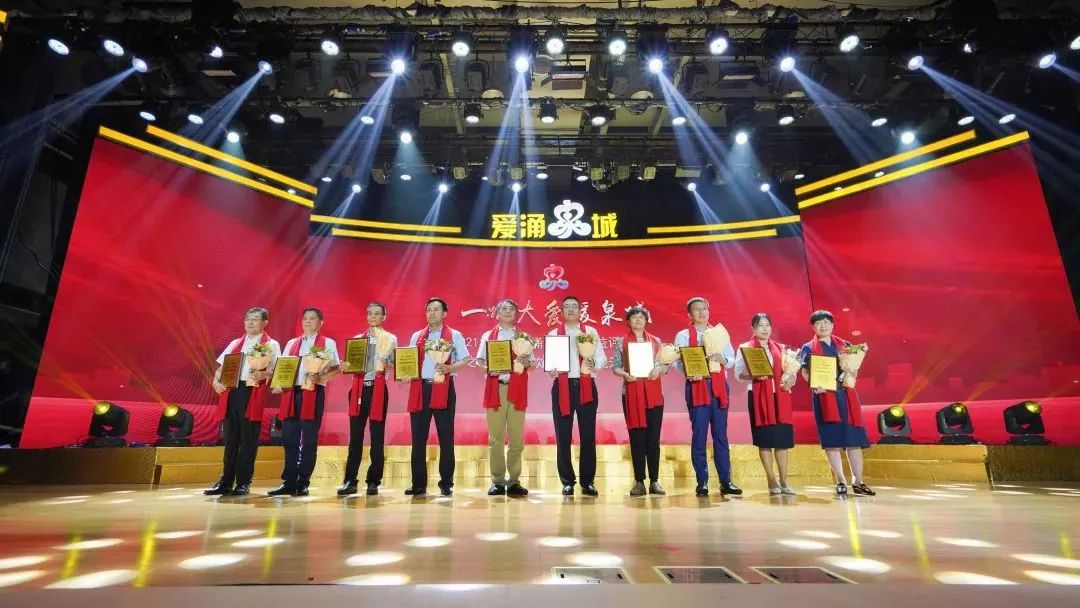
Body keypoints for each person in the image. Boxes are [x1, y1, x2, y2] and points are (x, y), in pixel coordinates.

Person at [205, 307, 281, 497]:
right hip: (231, 392)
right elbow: (221, 368)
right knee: (230, 439)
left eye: (255, 319)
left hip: (251, 392)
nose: (250, 322)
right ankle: (225, 482)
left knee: (248, 439)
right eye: (247, 319)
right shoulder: (235, 343)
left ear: (265, 323)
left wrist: (263, 374)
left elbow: (277, 371)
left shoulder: (271, 344)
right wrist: (215, 382)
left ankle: (243, 482)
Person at [798, 310, 875, 497]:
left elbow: (853, 368)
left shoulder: (845, 345)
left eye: (826, 322)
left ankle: (858, 481)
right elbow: (805, 372)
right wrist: (813, 384)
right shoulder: (807, 348)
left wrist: (852, 373)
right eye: (818, 323)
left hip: (846, 397)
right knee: (831, 441)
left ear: (832, 325)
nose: (823, 326)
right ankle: (841, 481)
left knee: (853, 440)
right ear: (813, 326)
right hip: (824, 397)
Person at [402, 297, 471, 497]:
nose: (431, 313)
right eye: (428, 310)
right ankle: (418, 484)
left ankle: (446, 483)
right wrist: (405, 374)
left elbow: (466, 359)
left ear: (444, 314)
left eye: (436, 310)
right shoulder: (417, 336)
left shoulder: (454, 335)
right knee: (418, 438)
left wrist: (450, 368)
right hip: (421, 389)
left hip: (444, 387)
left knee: (446, 437)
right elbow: (409, 361)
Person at [673, 296, 742, 497]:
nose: (702, 312)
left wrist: (723, 359)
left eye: (704, 308)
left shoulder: (719, 333)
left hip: (718, 387)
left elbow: (731, 359)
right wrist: (688, 372)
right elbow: (678, 362)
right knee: (699, 435)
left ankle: (726, 481)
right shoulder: (683, 335)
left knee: (721, 435)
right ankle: (702, 481)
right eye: (697, 309)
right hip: (697, 386)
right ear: (689, 314)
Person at [269, 307, 340, 497]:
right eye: (305, 318)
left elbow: (336, 369)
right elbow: (284, 367)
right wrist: (278, 383)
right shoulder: (292, 343)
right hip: (291, 393)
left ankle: (303, 481)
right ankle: (289, 481)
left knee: (309, 440)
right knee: (289, 439)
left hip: (313, 393)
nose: (307, 321)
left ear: (320, 322)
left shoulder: (327, 343)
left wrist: (321, 377)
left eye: (312, 318)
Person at [547, 295, 607, 497]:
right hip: (562, 387)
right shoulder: (554, 333)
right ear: (561, 311)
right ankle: (567, 481)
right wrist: (551, 369)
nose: (571, 309)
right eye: (567, 307)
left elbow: (602, 357)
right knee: (563, 435)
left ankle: (588, 481)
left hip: (586, 385)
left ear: (580, 310)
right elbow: (549, 363)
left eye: (574, 306)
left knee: (588, 435)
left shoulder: (590, 331)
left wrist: (594, 363)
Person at [476, 299, 536, 497]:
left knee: (516, 438)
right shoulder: (489, 336)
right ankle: (498, 481)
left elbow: (533, 364)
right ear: (497, 313)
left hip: (517, 389)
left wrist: (527, 362)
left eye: (512, 309)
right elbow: (479, 363)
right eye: (504, 308)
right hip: (497, 389)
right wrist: (489, 369)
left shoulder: (524, 337)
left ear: (517, 313)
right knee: (495, 438)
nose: (508, 311)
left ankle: (514, 481)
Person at [338, 302, 396, 496]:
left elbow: (396, 364)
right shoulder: (357, 340)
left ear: (384, 317)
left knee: (377, 437)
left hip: (378, 390)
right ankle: (350, 481)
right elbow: (351, 365)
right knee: (355, 437)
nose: (372, 316)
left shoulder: (390, 339)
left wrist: (386, 363)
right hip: (358, 390)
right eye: (369, 313)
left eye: (377, 313)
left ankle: (373, 481)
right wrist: (345, 366)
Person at [734, 313, 796, 495]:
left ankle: (784, 480)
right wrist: (753, 374)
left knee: (782, 441)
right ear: (753, 328)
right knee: (765, 440)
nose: (765, 329)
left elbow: (789, 372)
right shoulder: (745, 348)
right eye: (760, 325)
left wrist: (791, 378)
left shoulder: (781, 348)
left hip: (780, 397)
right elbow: (739, 374)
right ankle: (771, 480)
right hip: (758, 397)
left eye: (767, 325)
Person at [611, 305, 668, 497]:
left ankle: (655, 481)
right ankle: (639, 482)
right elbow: (615, 367)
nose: (638, 319)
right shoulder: (621, 342)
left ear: (646, 320)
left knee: (653, 438)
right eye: (634, 317)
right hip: (631, 393)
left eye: (641, 317)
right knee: (637, 438)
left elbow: (665, 366)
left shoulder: (656, 341)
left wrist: (658, 369)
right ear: (628, 321)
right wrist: (625, 374)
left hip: (654, 394)